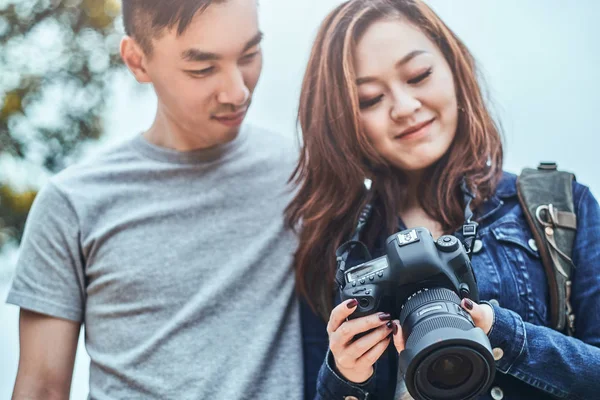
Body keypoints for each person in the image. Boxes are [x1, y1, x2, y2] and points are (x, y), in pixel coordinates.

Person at [286, 0, 600, 399]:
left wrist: (497, 331)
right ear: (343, 119)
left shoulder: (558, 207)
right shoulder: (336, 251)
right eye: (369, 99)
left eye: (418, 75)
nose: (404, 107)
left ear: (454, 66)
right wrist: (346, 376)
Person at [6, 0, 304, 398]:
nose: (238, 91)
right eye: (203, 68)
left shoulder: (302, 175)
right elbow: (41, 388)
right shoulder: (72, 204)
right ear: (137, 61)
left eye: (249, 54)